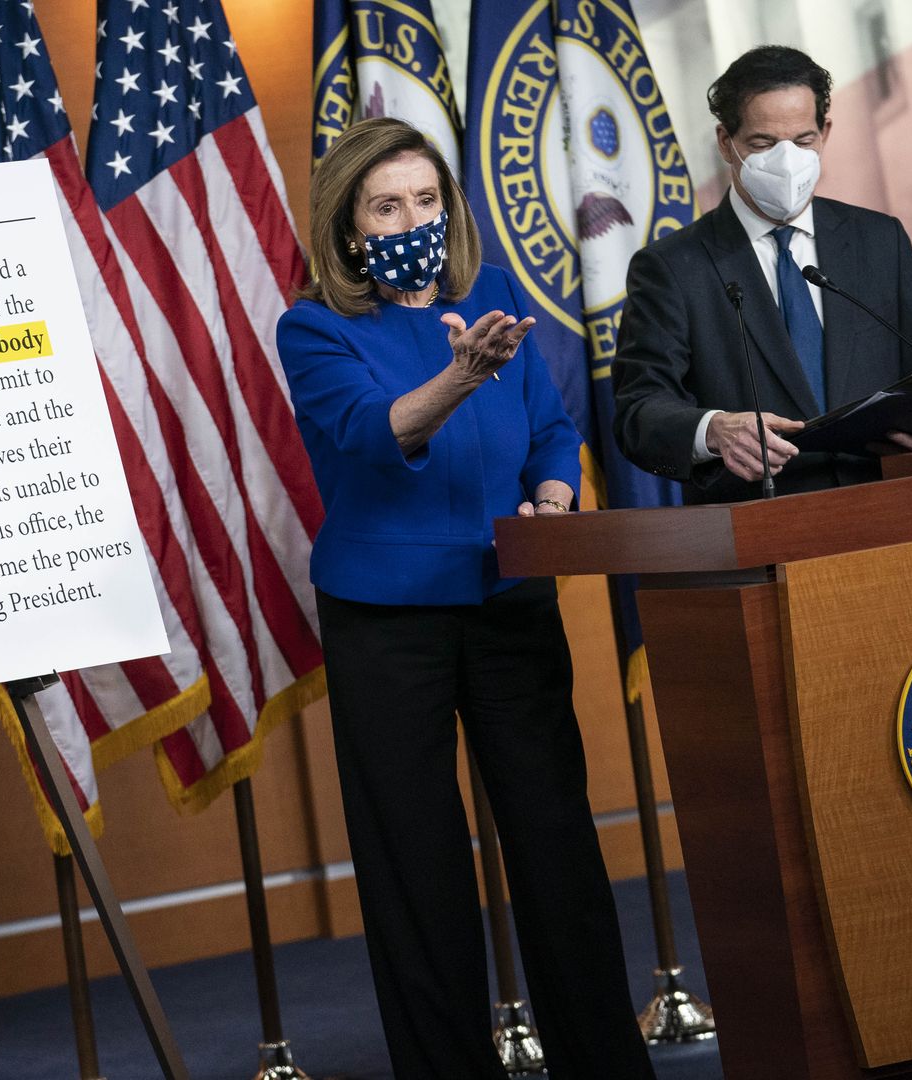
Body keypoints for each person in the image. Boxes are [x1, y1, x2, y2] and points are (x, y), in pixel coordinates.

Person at [275, 117, 655, 1080]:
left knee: (556, 844)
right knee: (419, 868)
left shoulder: (491, 296)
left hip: (508, 597)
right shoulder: (316, 325)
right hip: (387, 621)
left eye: (428, 200)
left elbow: (550, 427)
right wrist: (461, 375)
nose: (414, 219)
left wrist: (556, 495)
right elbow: (375, 431)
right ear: (352, 229)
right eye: (388, 205)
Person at [611, 45, 912, 503]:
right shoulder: (672, 267)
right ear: (726, 142)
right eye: (762, 143)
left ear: (825, 132)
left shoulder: (880, 241)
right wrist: (713, 430)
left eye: (802, 141)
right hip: (762, 533)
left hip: (889, 516)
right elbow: (638, 413)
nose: (786, 161)